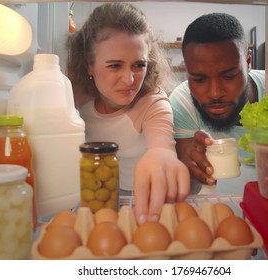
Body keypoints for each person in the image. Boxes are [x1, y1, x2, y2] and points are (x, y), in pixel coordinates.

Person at [66, 2, 190, 225]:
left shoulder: (151, 101)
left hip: (144, 202)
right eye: (115, 66)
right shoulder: (75, 96)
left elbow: (161, 144)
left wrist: (162, 154)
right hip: (95, 198)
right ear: (88, 65)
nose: (129, 80)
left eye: (139, 65)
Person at [169, 13, 265, 186]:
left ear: (248, 61)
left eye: (229, 76)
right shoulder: (182, 102)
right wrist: (189, 162)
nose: (215, 93)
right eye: (199, 79)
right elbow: (188, 165)